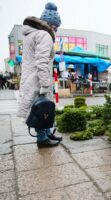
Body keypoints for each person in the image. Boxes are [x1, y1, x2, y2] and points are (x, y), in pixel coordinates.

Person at [17, 2, 62, 148]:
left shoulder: (32, 34)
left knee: (41, 108)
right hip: (37, 78)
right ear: (50, 24)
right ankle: (42, 138)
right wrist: (44, 84)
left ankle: (47, 133)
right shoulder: (44, 35)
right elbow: (42, 62)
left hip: (30, 76)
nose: (55, 30)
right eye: (55, 27)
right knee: (42, 108)